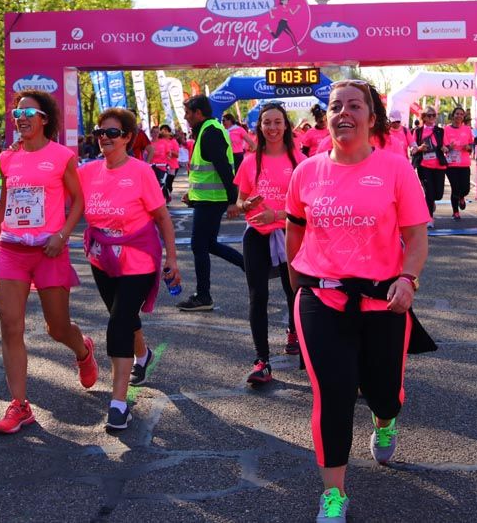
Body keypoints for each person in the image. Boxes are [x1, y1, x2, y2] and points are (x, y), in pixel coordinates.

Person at [284, 80, 432, 522]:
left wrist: (407, 279)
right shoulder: (306, 172)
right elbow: (295, 229)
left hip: (383, 300)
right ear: (326, 117)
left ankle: (385, 420)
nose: (343, 113)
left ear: (371, 117)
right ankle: (334, 493)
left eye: (354, 106)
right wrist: (298, 285)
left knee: (384, 393)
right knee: (333, 394)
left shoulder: (395, 169)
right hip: (321, 298)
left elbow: (416, 237)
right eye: (335, 106)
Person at [0, 89, 96, 434]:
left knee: (58, 328)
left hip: (48, 251)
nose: (21, 119)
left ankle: (82, 350)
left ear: (44, 119)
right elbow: (4, 204)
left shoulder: (61, 156)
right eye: (17, 114)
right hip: (12, 250)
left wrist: (62, 235)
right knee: (10, 326)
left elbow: (78, 200)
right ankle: (20, 405)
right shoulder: (7, 157)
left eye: (28, 113)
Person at [78, 108, 181, 431]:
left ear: (127, 137)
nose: (104, 138)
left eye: (112, 133)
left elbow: (162, 217)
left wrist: (172, 258)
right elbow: (58, 194)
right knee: (122, 315)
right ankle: (143, 355)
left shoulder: (141, 172)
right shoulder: (87, 172)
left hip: (139, 258)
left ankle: (119, 404)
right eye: (100, 132)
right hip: (102, 258)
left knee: (118, 324)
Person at [233, 102, 305, 386]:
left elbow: (307, 208)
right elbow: (239, 201)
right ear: (259, 127)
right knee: (257, 296)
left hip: (291, 234)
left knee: (294, 292)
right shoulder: (250, 161)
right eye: (267, 123)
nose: (272, 128)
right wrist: (246, 204)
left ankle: (295, 335)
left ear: (286, 125)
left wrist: (275, 215)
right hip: (256, 234)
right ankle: (262, 361)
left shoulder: (300, 161)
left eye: (277, 122)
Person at [177, 95, 244, 312]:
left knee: (199, 245)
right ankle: (252, 269)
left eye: (188, 113)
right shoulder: (207, 130)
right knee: (209, 244)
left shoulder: (210, 132)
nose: (185, 117)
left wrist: (233, 201)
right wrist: (192, 194)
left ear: (198, 113)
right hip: (207, 199)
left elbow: (224, 168)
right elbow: (206, 171)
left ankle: (204, 296)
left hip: (213, 200)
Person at [409, 107, 445, 228]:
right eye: (429, 115)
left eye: (434, 115)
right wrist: (420, 148)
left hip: (438, 165)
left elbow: (444, 145)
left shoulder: (440, 131)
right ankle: (429, 218)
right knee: (429, 192)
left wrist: (445, 148)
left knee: (438, 194)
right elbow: (413, 149)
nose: (432, 118)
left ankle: (432, 201)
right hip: (424, 166)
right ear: (423, 117)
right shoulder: (418, 131)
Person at [442, 106, 474, 221]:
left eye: (461, 114)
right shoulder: (446, 129)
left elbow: (471, 145)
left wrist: (468, 147)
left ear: (463, 116)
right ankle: (455, 212)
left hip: (464, 163)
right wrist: (448, 147)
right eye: (457, 114)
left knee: (465, 189)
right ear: (453, 115)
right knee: (455, 188)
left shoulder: (467, 129)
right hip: (451, 164)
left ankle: (461, 197)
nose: (459, 116)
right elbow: (443, 146)